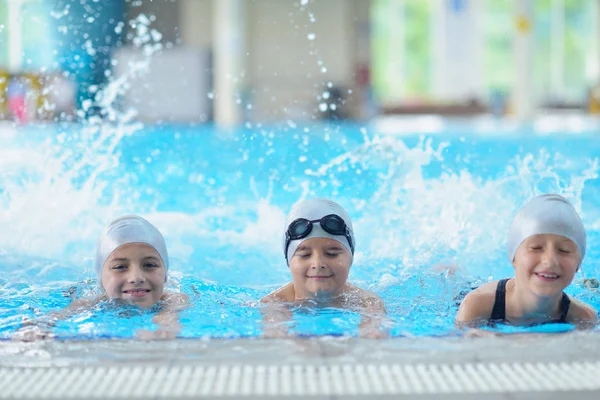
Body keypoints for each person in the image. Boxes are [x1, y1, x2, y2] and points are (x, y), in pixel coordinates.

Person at [14, 215, 189, 341]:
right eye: (120, 267)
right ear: (101, 279)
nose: (136, 277)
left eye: (149, 265)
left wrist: (165, 329)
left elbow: (169, 317)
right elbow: (59, 316)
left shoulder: (174, 298)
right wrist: (35, 327)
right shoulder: (92, 302)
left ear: (165, 274)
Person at [456, 194, 598, 329]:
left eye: (564, 250)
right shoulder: (476, 305)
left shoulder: (584, 317)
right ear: (513, 257)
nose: (550, 261)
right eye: (536, 248)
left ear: (578, 263)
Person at [260, 198, 386, 337]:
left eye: (331, 254)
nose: (318, 264)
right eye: (305, 254)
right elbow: (273, 336)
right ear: (289, 261)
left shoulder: (367, 303)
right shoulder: (274, 303)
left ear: (350, 258)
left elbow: (375, 337)